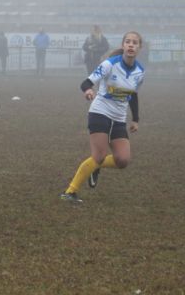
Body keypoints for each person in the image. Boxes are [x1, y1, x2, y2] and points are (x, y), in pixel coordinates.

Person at [61, 31, 145, 203]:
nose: (131, 45)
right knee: (98, 156)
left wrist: (135, 119)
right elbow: (85, 83)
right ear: (123, 45)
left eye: (134, 43)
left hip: (119, 119)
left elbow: (133, 95)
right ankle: (70, 192)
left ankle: (96, 167)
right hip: (100, 113)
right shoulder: (109, 64)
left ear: (139, 48)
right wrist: (88, 90)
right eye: (127, 42)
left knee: (123, 160)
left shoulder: (140, 71)